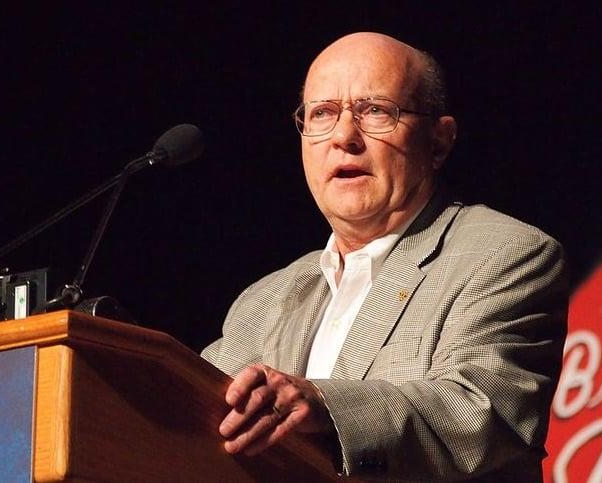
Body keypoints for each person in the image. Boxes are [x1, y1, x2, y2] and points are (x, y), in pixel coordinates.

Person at [201, 32, 567, 481]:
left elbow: (479, 415)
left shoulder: (506, 254)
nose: (343, 137)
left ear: (439, 141)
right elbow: (194, 411)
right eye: (322, 113)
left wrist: (325, 406)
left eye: (375, 110)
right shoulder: (263, 300)